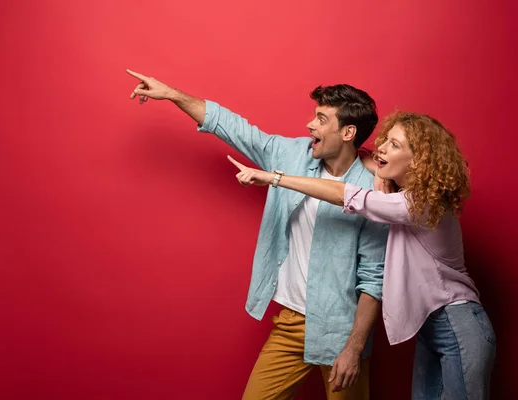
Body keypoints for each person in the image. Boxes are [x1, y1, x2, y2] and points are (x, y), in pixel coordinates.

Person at [127, 69, 389, 399]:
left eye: (322, 119)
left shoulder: (371, 189)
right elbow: (237, 129)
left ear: (348, 132)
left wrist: (354, 348)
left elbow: (373, 278)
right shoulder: (293, 155)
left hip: (341, 331)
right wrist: (174, 95)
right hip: (291, 322)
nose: (310, 125)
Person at [227, 111, 496, 399]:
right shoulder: (401, 195)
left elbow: (346, 195)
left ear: (418, 161)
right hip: (429, 327)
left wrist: (274, 177)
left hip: (457, 322)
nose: (382, 147)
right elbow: (368, 162)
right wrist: (379, 171)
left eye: (395, 145)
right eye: (386, 141)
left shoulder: (420, 205)